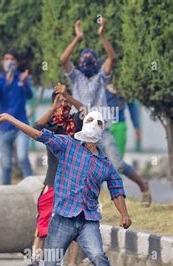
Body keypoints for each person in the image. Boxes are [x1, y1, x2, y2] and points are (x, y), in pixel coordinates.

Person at [0, 110, 131, 266]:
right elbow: (38, 135)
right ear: (83, 125)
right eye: (90, 120)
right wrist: (10, 119)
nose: (94, 123)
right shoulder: (66, 146)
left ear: (102, 129)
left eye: (98, 122)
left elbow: (117, 189)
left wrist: (124, 215)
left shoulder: (105, 165)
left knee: (98, 256)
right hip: (62, 220)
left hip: (87, 221)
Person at [60, 18, 151, 207]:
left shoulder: (101, 78)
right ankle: (89, 204)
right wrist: (78, 38)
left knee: (116, 165)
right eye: (84, 59)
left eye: (90, 59)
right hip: (82, 132)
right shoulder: (75, 78)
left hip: (103, 130)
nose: (87, 61)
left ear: (95, 62)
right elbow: (63, 59)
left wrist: (102, 35)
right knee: (83, 169)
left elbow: (111, 57)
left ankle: (143, 185)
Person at [18, 84, 86, 266]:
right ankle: (34, 264)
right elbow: (36, 127)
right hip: (53, 183)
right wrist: (53, 107)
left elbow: (85, 110)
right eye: (59, 101)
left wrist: (68, 96)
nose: (63, 104)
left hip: (74, 185)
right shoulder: (52, 127)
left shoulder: (77, 123)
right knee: (43, 223)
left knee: (75, 226)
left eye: (66, 101)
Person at [0, 48, 33, 183]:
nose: (9, 62)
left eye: (12, 59)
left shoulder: (22, 77)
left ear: (17, 62)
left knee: (23, 157)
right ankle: (6, 192)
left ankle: (35, 187)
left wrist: (24, 83)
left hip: (21, 126)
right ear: (3, 62)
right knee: (5, 165)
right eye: (6, 59)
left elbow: (30, 95)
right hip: (4, 127)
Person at [105, 84, 141, 157]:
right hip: (103, 125)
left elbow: (132, 105)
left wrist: (136, 127)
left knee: (118, 159)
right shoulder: (100, 79)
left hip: (119, 124)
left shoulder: (124, 83)